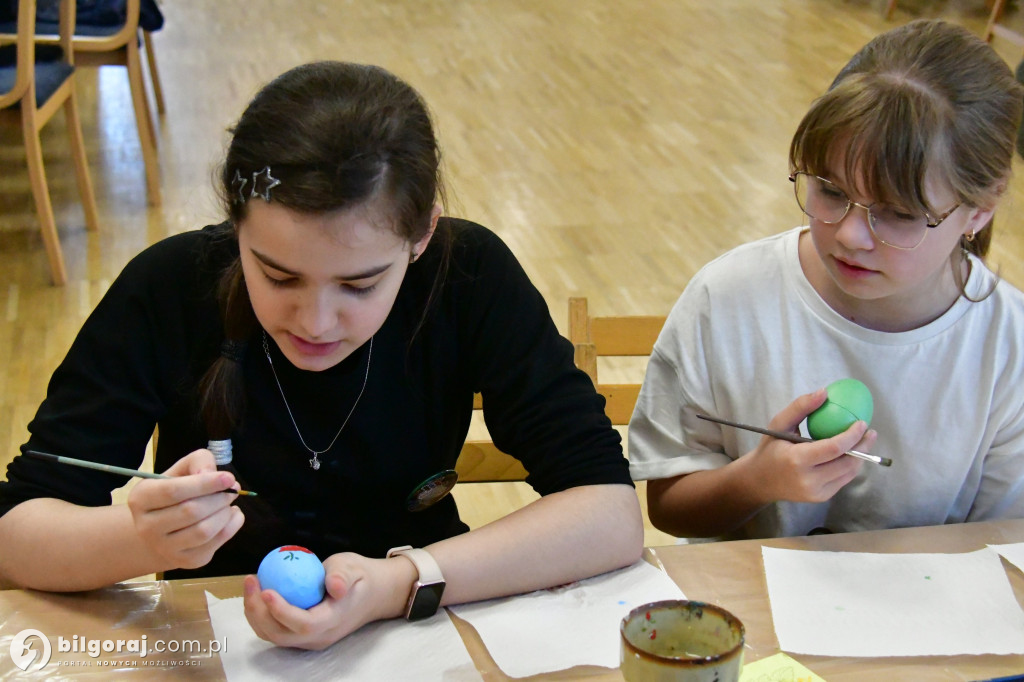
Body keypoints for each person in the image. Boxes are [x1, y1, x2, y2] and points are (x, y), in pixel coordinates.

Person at [0, 61, 643, 649]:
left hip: (421, 627)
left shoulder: (467, 276)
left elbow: (607, 512)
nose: (314, 321)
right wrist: (138, 538)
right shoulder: (171, 286)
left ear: (421, 236)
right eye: (277, 276)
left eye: (360, 285)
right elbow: (15, 532)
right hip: (215, 638)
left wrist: (396, 585)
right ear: (236, 226)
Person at [629, 19, 1024, 541]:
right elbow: (669, 507)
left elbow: (1002, 546)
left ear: (980, 208)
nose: (850, 235)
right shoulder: (727, 298)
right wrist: (756, 481)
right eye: (831, 191)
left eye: (899, 214)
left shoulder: (1007, 347)